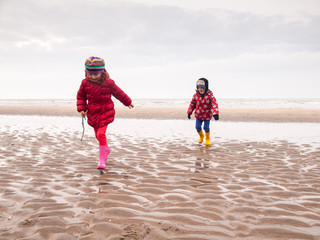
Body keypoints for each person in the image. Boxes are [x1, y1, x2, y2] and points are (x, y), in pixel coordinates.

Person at [76, 56, 134, 170]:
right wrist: (82, 109)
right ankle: (106, 149)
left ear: (102, 72)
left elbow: (119, 93)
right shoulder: (84, 83)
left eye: (95, 74)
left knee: (101, 134)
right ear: (86, 72)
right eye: (90, 74)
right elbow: (81, 96)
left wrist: (128, 102)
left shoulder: (108, 83)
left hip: (105, 111)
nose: (92, 77)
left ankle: (102, 161)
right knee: (97, 135)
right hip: (92, 112)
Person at [187, 78, 219, 145]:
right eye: (198, 88)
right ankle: (201, 136)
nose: (200, 89)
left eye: (202, 88)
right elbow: (192, 104)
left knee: (206, 127)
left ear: (206, 88)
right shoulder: (195, 96)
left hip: (207, 115)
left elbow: (214, 104)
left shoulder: (210, 96)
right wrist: (189, 112)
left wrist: (215, 113)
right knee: (197, 127)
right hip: (198, 115)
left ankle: (207, 138)